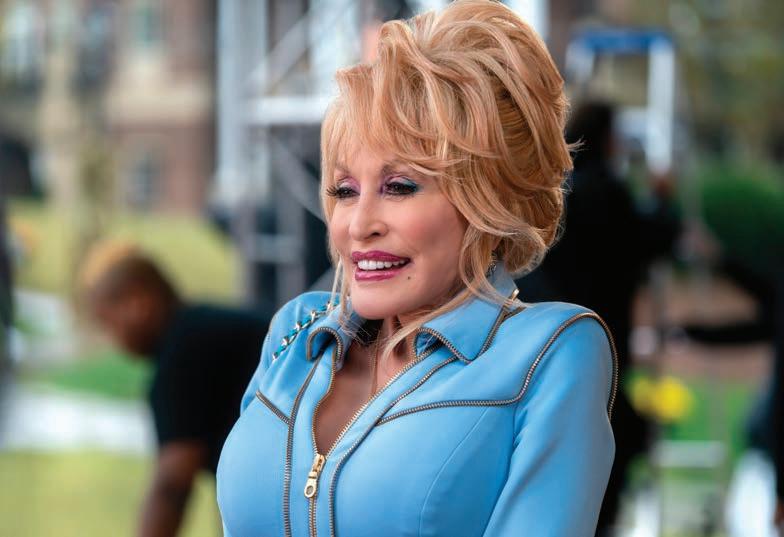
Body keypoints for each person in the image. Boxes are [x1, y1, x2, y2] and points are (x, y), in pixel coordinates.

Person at [217, 2, 617, 535]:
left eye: (399, 187)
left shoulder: (549, 352)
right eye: (344, 190)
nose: (359, 224)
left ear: (485, 199)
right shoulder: (294, 333)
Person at [516, 101, 680, 534]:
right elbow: (649, 238)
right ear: (607, 139)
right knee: (607, 434)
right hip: (601, 333)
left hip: (553, 332)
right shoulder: (607, 191)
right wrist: (663, 201)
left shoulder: (554, 194)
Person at [80, 245, 269, 537]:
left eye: (108, 322)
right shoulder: (201, 328)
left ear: (138, 302)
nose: (112, 339)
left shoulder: (181, 355)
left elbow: (172, 485)